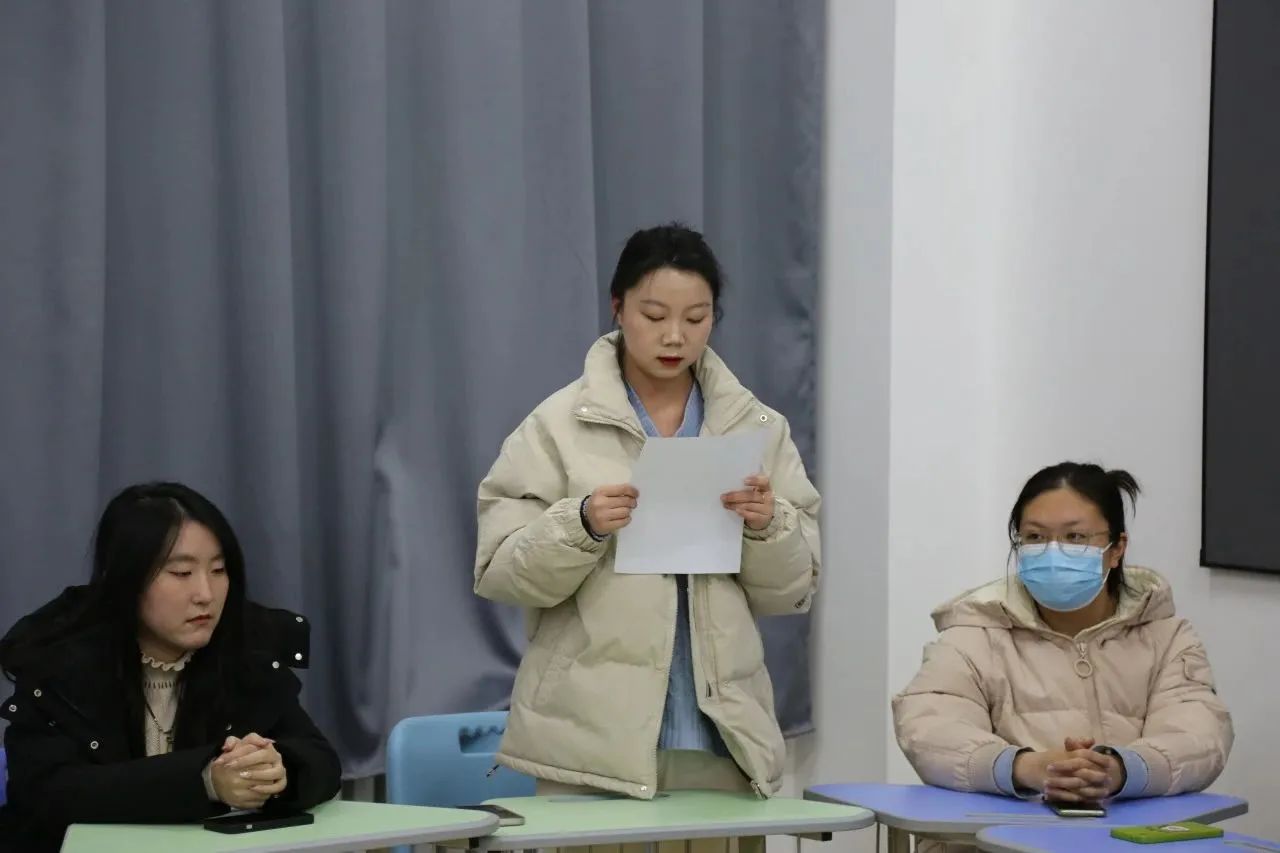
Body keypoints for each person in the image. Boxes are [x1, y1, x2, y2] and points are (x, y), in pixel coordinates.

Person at [474, 223, 821, 806]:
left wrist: (768, 526)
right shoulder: (557, 425)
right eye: (654, 315)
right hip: (587, 747)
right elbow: (500, 573)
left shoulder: (756, 427)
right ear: (618, 307)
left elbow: (794, 589)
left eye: (696, 318)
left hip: (722, 744)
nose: (674, 336)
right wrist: (581, 525)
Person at [893, 463, 1233, 850]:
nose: (1053, 552)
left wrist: (1119, 770)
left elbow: (1201, 737)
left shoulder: (1167, 637)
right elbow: (929, 730)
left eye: (1075, 537)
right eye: (1035, 537)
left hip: (1125, 845)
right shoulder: (973, 634)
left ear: (1117, 549)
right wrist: (1026, 768)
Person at [0, 482, 342, 852]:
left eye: (218, 570)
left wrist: (277, 770)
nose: (206, 595)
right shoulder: (59, 661)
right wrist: (205, 781)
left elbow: (320, 759)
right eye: (181, 573)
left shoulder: (247, 652)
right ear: (127, 579)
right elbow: (47, 792)